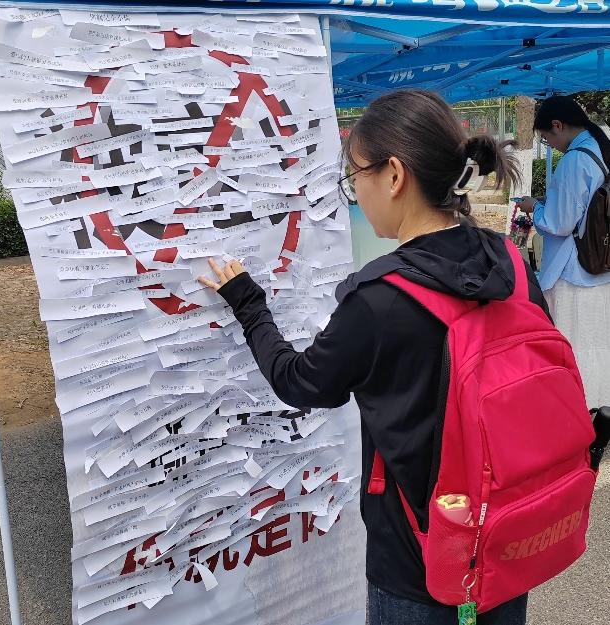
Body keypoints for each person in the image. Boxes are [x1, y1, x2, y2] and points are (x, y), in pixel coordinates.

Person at [199, 89, 549, 625]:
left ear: (394, 175)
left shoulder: (380, 299)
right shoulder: (511, 265)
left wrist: (248, 303)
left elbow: (299, 382)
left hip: (416, 562)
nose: (355, 191)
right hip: (505, 532)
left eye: (355, 175)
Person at [516, 95, 610, 409]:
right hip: (599, 263)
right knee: (598, 345)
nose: (550, 146)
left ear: (558, 125)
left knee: (575, 346)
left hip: (574, 270)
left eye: (546, 138)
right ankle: (599, 409)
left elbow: (559, 222)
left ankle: (579, 408)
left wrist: (535, 207)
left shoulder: (575, 160)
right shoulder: (600, 148)